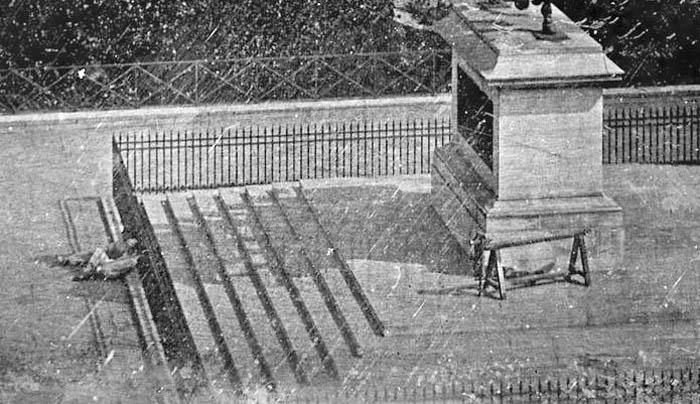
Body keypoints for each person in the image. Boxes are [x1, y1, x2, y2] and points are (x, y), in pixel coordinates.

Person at [57, 238, 141, 281]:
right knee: (96, 252)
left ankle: (86, 272)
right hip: (106, 262)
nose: (127, 246)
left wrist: (100, 266)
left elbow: (115, 266)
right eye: (127, 243)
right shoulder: (121, 246)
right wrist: (100, 253)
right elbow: (107, 248)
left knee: (97, 259)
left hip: (110, 270)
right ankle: (70, 260)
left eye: (130, 245)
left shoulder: (131, 260)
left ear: (134, 249)